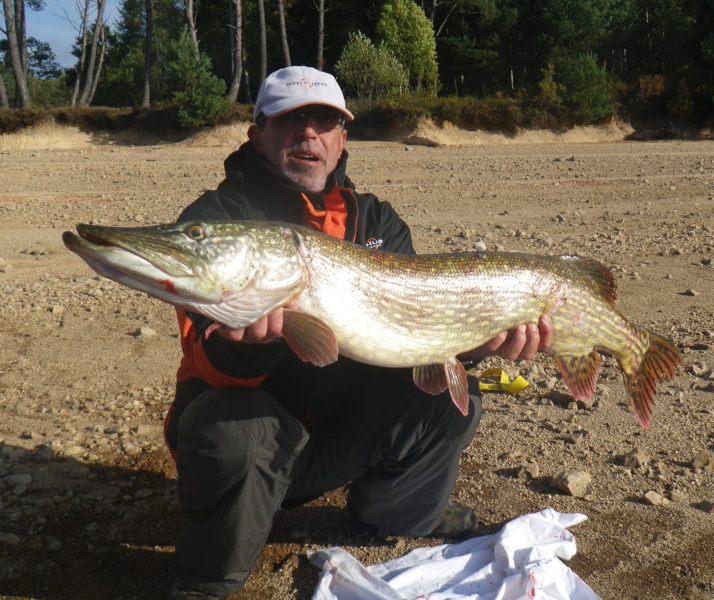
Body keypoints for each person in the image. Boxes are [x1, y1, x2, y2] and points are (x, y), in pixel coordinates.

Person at [165, 66, 553, 600]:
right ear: (257, 134)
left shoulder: (376, 219)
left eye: (325, 120)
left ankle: (397, 515)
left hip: (336, 434)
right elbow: (204, 356)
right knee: (233, 426)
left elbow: (416, 336)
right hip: (254, 446)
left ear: (342, 138)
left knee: (445, 400)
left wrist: (477, 343)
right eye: (290, 119)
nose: (309, 133)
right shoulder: (220, 220)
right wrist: (256, 348)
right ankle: (208, 578)